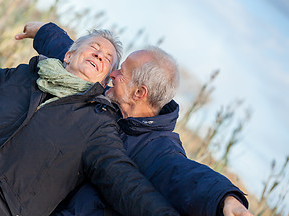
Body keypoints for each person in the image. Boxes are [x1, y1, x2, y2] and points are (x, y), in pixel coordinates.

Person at [0, 28, 180, 216]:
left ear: (104, 82)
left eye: (108, 58)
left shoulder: (98, 127)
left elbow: (124, 181)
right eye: (94, 47)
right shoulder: (22, 78)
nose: (99, 55)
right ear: (69, 55)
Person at [16, 22, 253, 216]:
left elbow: (183, 174)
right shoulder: (108, 99)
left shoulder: (158, 148)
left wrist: (225, 199)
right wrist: (45, 32)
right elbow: (82, 60)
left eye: (122, 72)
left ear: (139, 93)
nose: (112, 73)